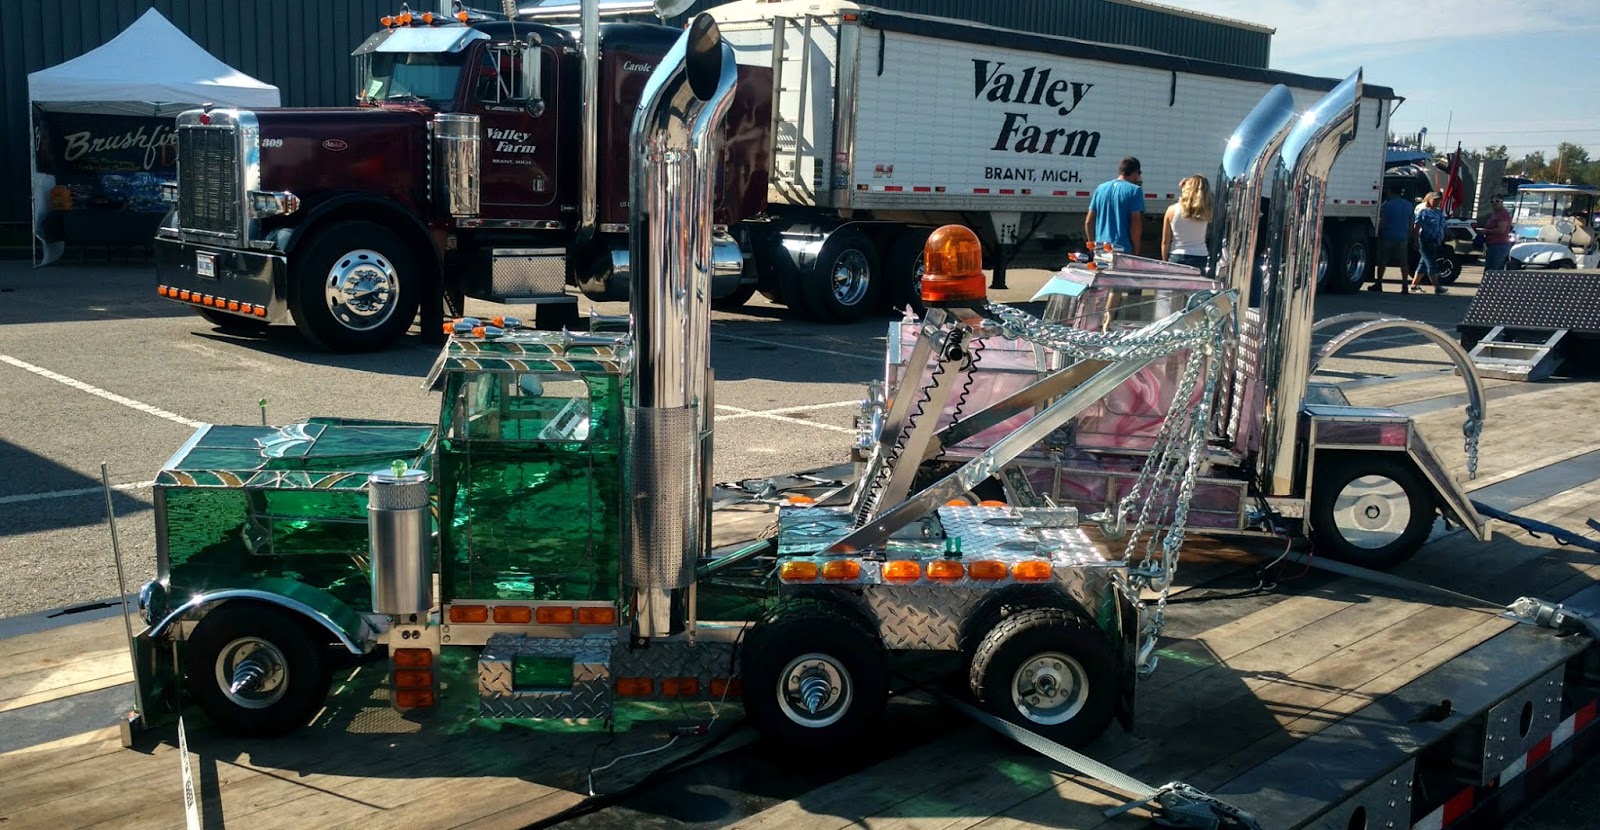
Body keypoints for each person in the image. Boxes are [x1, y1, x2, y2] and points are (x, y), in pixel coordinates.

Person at [1085, 157, 1146, 255]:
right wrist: (1136, 249)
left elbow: (1088, 222)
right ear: (1135, 173)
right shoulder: (1135, 191)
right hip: (1122, 248)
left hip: (1101, 248)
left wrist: (1092, 245)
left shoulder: (1100, 189)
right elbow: (1135, 224)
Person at [1161, 174, 1213, 269]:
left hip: (1177, 255)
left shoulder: (1171, 210)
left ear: (1187, 189)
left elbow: (1165, 241)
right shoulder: (1206, 211)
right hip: (1200, 256)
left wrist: (1165, 262)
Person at [1369, 187, 1415, 292]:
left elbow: (1383, 221)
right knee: (1404, 263)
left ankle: (1379, 283)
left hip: (1387, 236)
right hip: (1402, 237)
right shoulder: (1409, 205)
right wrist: (1408, 235)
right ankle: (1404, 285)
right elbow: (1411, 223)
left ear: (1391, 192)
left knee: (1382, 261)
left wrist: (1377, 233)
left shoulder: (1387, 205)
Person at [1412, 192, 1448, 294]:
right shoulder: (1424, 212)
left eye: (1439, 200)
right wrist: (1415, 241)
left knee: (1423, 264)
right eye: (1435, 199)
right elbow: (1416, 227)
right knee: (1431, 264)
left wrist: (1447, 232)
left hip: (1435, 241)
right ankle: (1437, 287)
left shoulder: (1438, 212)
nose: (1437, 202)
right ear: (1429, 200)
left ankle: (1414, 285)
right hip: (1425, 240)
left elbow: (1442, 224)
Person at [1480, 194, 1514, 271]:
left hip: (1500, 245)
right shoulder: (1495, 213)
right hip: (1492, 245)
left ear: (1502, 202)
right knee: (1489, 269)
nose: (1494, 203)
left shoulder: (1503, 214)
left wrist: (1486, 231)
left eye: (1497, 201)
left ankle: (1492, 279)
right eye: (1492, 201)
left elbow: (1501, 230)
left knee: (1495, 269)